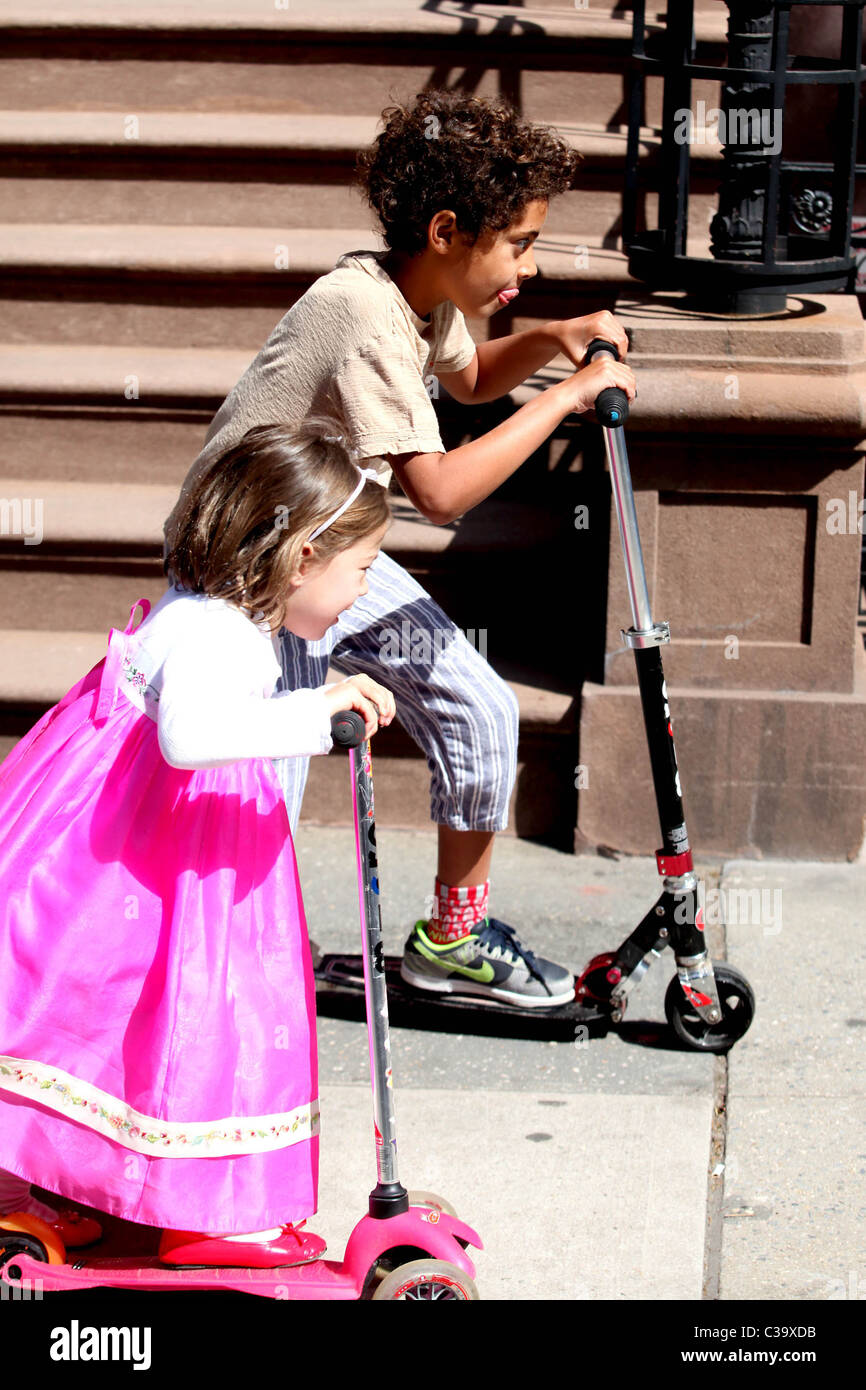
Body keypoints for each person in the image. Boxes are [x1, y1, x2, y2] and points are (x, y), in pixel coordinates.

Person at [164, 89, 637, 1009]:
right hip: (253, 566)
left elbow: (465, 380)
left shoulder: (424, 293)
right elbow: (441, 491)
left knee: (479, 708)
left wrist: (553, 339)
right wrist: (564, 400)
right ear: (449, 230)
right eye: (521, 245)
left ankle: (451, 942)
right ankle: (233, 953)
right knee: (268, 771)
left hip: (329, 551)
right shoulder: (367, 315)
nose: (529, 268)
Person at [0, 421, 395, 1267]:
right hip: (170, 854)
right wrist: (319, 716)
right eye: (359, 569)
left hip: (118, 833)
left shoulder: (206, 609)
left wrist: (311, 692)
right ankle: (210, 1210)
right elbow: (189, 734)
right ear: (300, 559)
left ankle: (36, 1178)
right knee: (212, 1010)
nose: (365, 589)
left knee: (101, 1011)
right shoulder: (223, 634)